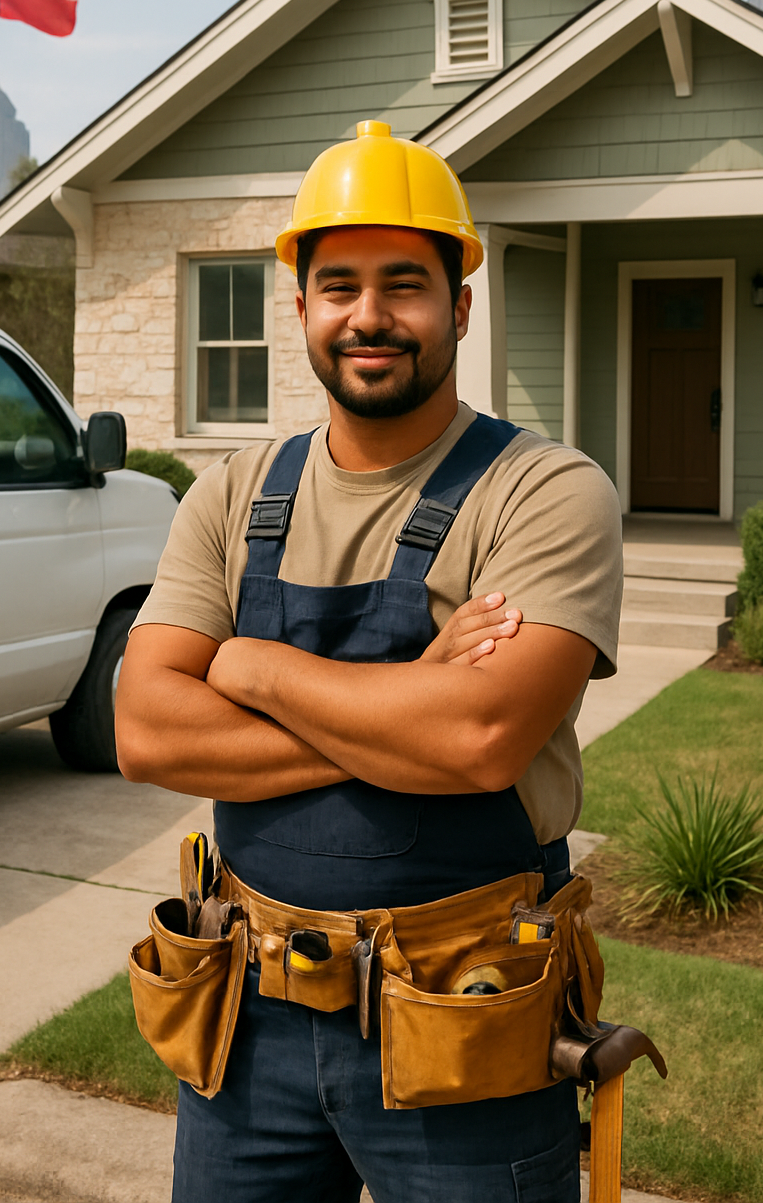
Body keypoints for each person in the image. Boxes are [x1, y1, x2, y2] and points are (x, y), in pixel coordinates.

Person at [116, 119, 623, 1203]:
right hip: (244, 1022)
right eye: (337, 285)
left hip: (464, 1016)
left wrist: (244, 666)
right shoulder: (234, 491)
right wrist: (407, 704)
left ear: (459, 306)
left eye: (405, 283)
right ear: (300, 307)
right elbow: (146, 730)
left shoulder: (543, 492)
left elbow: (480, 740)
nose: (370, 315)